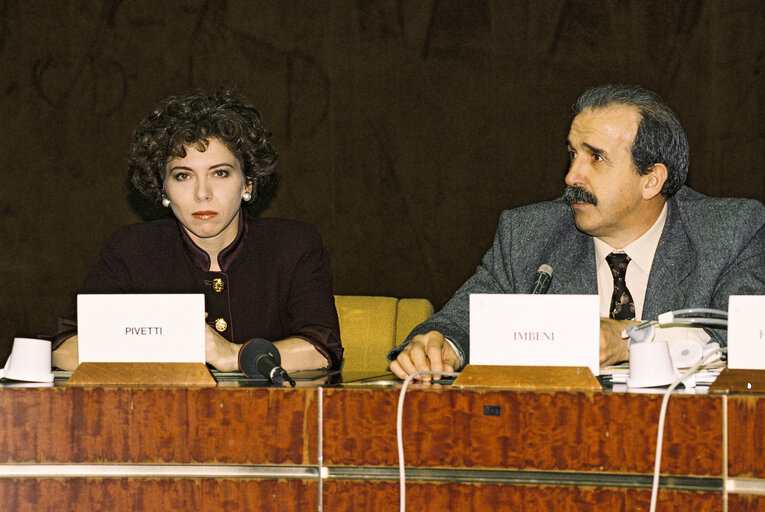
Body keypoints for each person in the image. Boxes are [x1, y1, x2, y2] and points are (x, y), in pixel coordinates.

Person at [389, 84, 765, 380]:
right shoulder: (528, 234)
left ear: (650, 179)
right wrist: (440, 345)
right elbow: (459, 322)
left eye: (595, 157)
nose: (571, 177)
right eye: (572, 154)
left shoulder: (731, 231)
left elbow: (745, 342)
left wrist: (629, 340)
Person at [52, 88, 342, 372]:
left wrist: (234, 355)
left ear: (248, 182)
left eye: (220, 173)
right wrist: (166, 341)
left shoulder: (293, 245)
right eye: (183, 176)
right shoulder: (131, 250)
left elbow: (320, 349)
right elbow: (64, 348)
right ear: (163, 188)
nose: (203, 193)